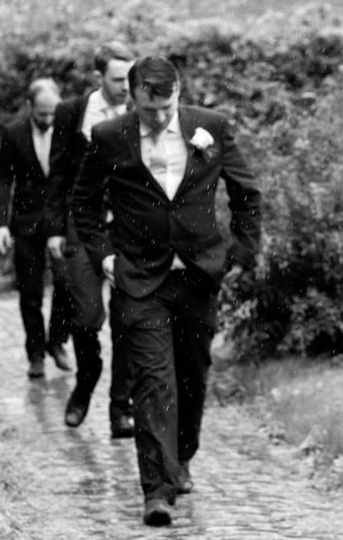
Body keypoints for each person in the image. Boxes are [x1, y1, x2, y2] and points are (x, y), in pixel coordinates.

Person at [70, 56, 261, 528]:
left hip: (198, 275)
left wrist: (241, 253)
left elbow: (246, 192)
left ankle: (183, 458)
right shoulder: (110, 135)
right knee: (152, 380)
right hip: (138, 278)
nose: (158, 117)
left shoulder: (211, 127)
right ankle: (156, 489)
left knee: (194, 376)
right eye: (148, 109)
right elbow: (83, 202)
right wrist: (104, 256)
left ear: (178, 92)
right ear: (132, 97)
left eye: (166, 107)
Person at [45, 41, 137, 437]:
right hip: (84, 227)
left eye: (130, 78)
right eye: (118, 80)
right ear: (99, 78)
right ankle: (87, 377)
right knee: (84, 317)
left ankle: (121, 407)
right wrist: (52, 228)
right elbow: (58, 175)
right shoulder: (70, 113)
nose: (127, 87)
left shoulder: (144, 111)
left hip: (131, 231)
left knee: (128, 320)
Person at [0, 78, 74, 380]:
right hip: (25, 223)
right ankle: (35, 354)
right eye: (42, 114)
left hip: (61, 223)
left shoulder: (70, 131)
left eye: (53, 113)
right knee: (30, 293)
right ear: (30, 108)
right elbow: (3, 180)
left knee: (66, 284)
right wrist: (1, 224)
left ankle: (58, 342)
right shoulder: (14, 134)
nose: (48, 120)